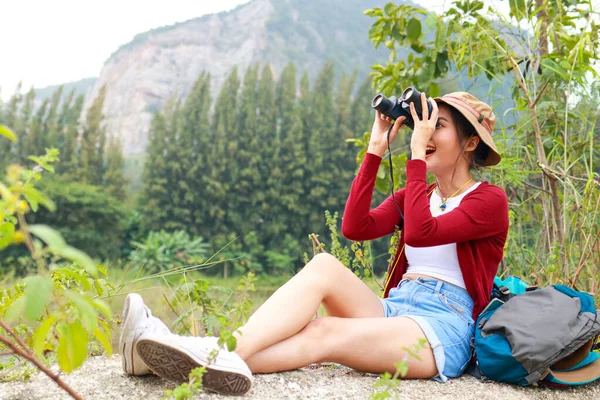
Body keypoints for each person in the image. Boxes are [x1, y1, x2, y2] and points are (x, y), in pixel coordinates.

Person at [119, 92, 509, 396]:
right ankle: (185, 355)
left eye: (437, 126)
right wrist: (376, 149)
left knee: (325, 332)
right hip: (396, 309)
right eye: (423, 126)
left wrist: (413, 159)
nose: (424, 134)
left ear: (470, 143)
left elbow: (420, 234)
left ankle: (204, 354)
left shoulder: (488, 200)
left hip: (442, 327)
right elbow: (355, 227)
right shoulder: (417, 193)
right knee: (324, 265)